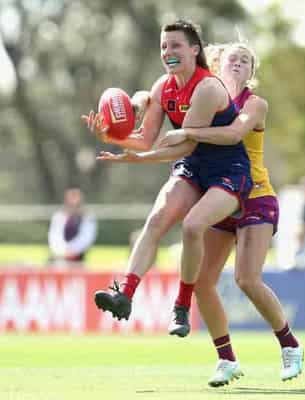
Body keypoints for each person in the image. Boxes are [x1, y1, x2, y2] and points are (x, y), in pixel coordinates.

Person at [82, 20, 252, 339]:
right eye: (163, 46)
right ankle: (125, 294)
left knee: (191, 226)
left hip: (228, 171)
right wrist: (111, 137)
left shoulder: (206, 87)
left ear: (194, 50)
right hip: (192, 167)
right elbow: (146, 140)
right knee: (157, 219)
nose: (168, 52)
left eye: (175, 45)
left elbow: (185, 144)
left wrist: (139, 159)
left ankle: (182, 306)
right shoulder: (164, 87)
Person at [159, 42, 303, 384]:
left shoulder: (255, 104)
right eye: (232, 59)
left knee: (246, 279)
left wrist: (187, 131)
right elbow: (167, 105)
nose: (238, 64)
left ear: (252, 71)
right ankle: (226, 358)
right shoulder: (206, 98)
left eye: (246, 61)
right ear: (217, 65)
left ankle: (289, 345)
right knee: (203, 282)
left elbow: (235, 132)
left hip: (255, 196)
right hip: (221, 193)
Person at [48, 188, 97, 265]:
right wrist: (63, 251)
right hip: (59, 256)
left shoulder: (87, 217)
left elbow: (86, 237)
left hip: (79, 257)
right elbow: (54, 236)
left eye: (76, 198)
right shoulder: (59, 216)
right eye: (71, 198)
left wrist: (73, 250)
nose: (73, 202)